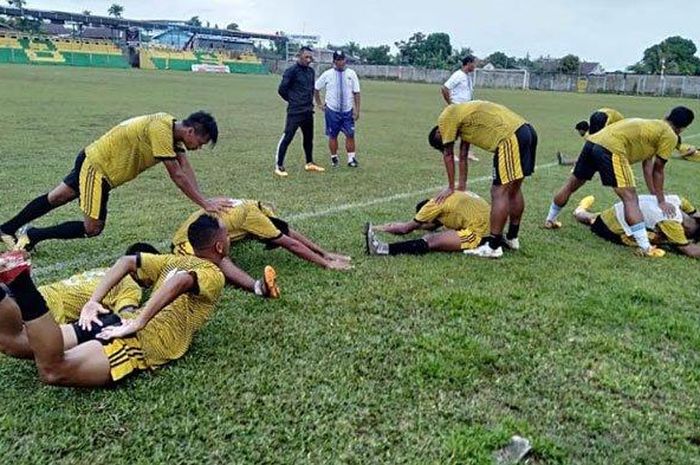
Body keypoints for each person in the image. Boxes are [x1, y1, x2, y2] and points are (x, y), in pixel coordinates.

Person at [0, 214, 230, 387]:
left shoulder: (173, 260)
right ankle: (20, 282)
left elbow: (126, 261)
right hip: (140, 340)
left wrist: (93, 302)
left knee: (15, 343)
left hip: (115, 321)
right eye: (227, 236)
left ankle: (9, 285)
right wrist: (140, 320)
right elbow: (180, 282)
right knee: (54, 370)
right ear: (220, 246)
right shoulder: (214, 273)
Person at [0, 112, 233, 252]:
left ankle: (7, 229)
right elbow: (177, 175)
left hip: (93, 158)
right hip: (97, 168)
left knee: (56, 197)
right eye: (200, 143)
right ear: (191, 131)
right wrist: (203, 203)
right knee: (93, 228)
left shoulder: (172, 131)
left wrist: (205, 199)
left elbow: (185, 168)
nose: (198, 148)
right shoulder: (161, 130)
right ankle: (31, 234)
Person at [544, 107, 694, 257]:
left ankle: (550, 220)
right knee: (630, 198)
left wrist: (655, 194)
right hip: (612, 149)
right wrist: (661, 201)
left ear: (667, 115)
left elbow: (647, 166)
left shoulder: (653, 126)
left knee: (571, 185)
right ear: (683, 128)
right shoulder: (670, 136)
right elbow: (658, 169)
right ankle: (645, 248)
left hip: (593, 142)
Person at [428, 101, 538, 258]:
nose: (449, 141)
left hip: (509, 137)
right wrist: (462, 186)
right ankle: (512, 237)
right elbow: (464, 153)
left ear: (439, 132)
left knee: (498, 191)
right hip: (526, 130)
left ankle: (493, 246)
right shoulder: (464, 119)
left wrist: (450, 187)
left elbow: (448, 154)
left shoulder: (446, 118)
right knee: (514, 189)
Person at [172, 199, 352, 270]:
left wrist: (324, 253)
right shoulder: (253, 216)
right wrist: (326, 264)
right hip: (185, 243)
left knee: (222, 250)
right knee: (218, 262)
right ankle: (254, 286)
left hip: (200, 228)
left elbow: (288, 232)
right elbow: (291, 244)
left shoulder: (252, 205)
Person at [364, 191, 490, 256]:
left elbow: (405, 229)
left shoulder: (431, 206)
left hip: (481, 234)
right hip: (495, 227)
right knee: (443, 234)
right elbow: (432, 225)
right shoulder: (448, 199)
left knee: (430, 240)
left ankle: (381, 249)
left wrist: (380, 228)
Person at [573, 194, 700, 258]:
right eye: (687, 236)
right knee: (592, 220)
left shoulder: (679, 201)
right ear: (687, 230)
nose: (684, 237)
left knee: (597, 217)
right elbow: (689, 250)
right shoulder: (673, 225)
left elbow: (696, 213)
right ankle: (579, 211)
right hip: (612, 226)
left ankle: (585, 212)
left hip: (623, 209)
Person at [275, 46, 325, 177]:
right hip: (295, 111)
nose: (309, 60)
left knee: (308, 138)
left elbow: (311, 90)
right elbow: (282, 90)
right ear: (299, 56)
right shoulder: (291, 71)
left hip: (308, 111)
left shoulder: (311, 72)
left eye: (310, 57)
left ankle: (309, 163)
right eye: (306, 57)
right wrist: (293, 100)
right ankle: (279, 166)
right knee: (287, 137)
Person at [314, 50, 361, 168]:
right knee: (332, 135)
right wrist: (319, 104)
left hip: (347, 111)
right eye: (338, 60)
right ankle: (334, 158)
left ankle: (351, 159)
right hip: (332, 111)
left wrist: (357, 110)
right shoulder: (327, 74)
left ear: (345, 60)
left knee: (350, 134)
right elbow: (316, 88)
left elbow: (356, 93)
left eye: (342, 59)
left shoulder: (352, 74)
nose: (341, 62)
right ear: (334, 61)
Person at [441, 55, 479, 162]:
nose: (475, 66)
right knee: (453, 133)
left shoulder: (468, 77)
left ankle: (467, 153)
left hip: (467, 110)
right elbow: (445, 88)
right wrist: (450, 104)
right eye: (474, 64)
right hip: (457, 109)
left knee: (468, 132)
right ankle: (450, 154)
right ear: (468, 63)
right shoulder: (458, 75)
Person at [559, 108, 625, 165]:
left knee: (587, 156)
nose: (579, 133)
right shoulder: (593, 126)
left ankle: (565, 162)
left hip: (613, 123)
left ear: (582, 130)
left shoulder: (588, 135)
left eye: (579, 131)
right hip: (609, 118)